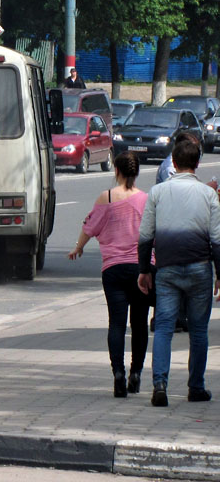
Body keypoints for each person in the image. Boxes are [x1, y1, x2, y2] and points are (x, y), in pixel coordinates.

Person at [137, 138, 220, 407]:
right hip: (199, 268)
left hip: (167, 268)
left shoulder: (158, 193)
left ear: (173, 161)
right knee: (198, 330)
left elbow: (145, 236)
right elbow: (217, 240)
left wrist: (144, 270)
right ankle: (196, 387)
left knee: (163, 328)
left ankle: (159, 383)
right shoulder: (209, 195)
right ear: (198, 163)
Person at [68, 152, 150, 397]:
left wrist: (79, 247)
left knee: (116, 323)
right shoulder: (146, 199)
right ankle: (136, 373)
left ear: (117, 171)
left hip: (113, 269)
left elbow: (90, 226)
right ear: (136, 172)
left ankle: (118, 373)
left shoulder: (107, 197)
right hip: (140, 269)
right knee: (139, 323)